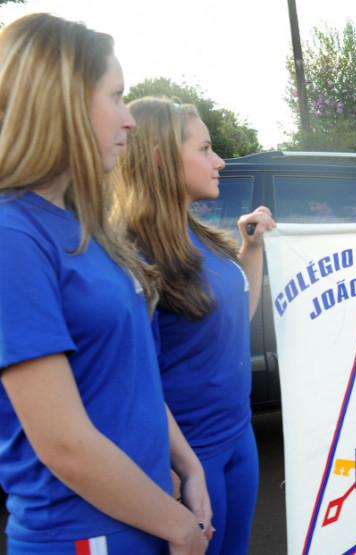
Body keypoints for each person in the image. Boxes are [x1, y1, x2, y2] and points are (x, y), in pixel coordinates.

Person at [0, 14, 211, 554]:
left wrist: (188, 466)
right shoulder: (13, 234)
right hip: (82, 534)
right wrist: (180, 526)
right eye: (116, 97)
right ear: (63, 102)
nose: (130, 122)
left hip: (143, 518)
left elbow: (129, 376)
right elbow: (64, 443)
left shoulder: (85, 227)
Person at [111, 98, 276, 553]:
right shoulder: (132, 257)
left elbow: (232, 324)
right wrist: (173, 465)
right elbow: (134, 382)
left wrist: (253, 250)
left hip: (239, 436)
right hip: (189, 456)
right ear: (162, 157)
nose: (219, 161)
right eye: (205, 149)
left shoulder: (197, 235)